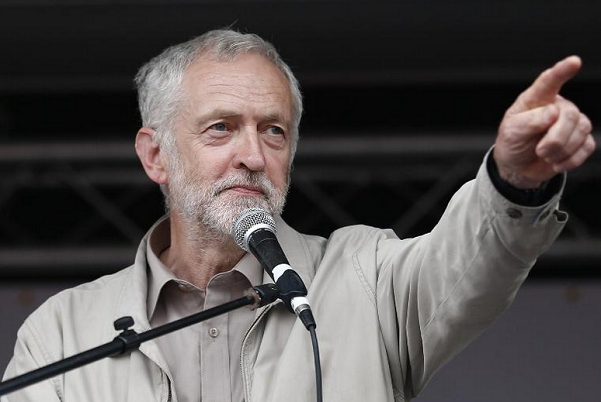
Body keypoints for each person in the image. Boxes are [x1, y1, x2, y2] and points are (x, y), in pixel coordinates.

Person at [2, 30, 594, 402]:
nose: (253, 156)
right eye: (221, 128)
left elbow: (475, 262)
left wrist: (515, 178)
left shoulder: (366, 279)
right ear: (155, 155)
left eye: (274, 131)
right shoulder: (62, 333)